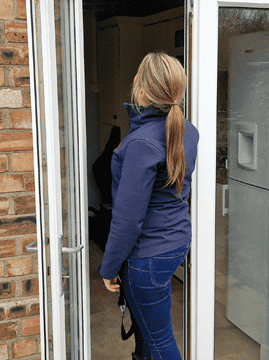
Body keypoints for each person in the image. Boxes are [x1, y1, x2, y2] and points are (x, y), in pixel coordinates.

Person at [99, 52, 199, 360]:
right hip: (175, 242)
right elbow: (181, 189)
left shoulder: (141, 143)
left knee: (159, 341)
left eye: (137, 77)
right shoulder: (188, 130)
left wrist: (109, 267)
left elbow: (128, 220)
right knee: (146, 333)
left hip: (149, 254)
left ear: (141, 90)